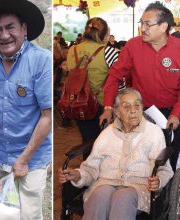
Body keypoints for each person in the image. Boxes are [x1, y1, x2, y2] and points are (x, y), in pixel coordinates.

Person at [0, 0, 52, 219]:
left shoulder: (42, 61)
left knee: (27, 215)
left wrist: (24, 159)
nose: (4, 35)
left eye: (10, 27)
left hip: (32, 157)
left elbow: (47, 116)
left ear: (24, 29)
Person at [59, 88, 174, 219]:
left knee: (122, 197)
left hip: (138, 187)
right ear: (117, 111)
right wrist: (77, 175)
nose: (133, 110)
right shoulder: (107, 133)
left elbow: (165, 169)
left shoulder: (153, 132)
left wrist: (158, 181)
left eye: (137, 105)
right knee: (100, 194)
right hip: (105, 183)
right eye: (126, 107)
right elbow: (91, 168)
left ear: (142, 107)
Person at [100, 2, 180, 170]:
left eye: (147, 24)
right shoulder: (133, 46)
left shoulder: (178, 49)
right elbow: (114, 76)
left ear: (164, 26)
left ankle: (167, 191)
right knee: (141, 157)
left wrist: (176, 115)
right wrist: (108, 107)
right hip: (141, 113)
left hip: (171, 113)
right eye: (141, 23)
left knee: (169, 156)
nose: (142, 28)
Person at [67, 17, 119, 144]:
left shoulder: (72, 50)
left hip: (78, 102)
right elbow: (120, 81)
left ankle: (87, 163)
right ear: (105, 34)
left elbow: (70, 73)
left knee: (87, 141)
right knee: (105, 144)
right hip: (103, 104)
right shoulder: (109, 51)